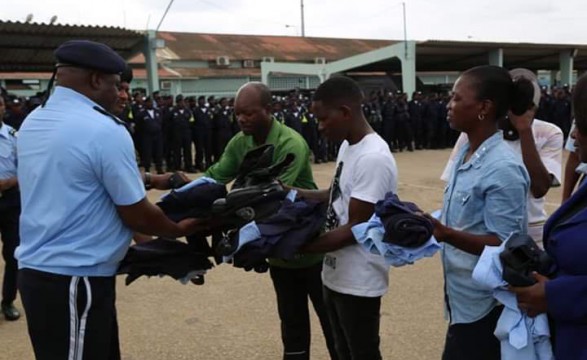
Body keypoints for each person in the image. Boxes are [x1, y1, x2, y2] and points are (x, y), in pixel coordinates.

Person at [15, 40, 207, 360]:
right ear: (95, 80)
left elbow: (83, 186)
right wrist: (178, 231)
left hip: (46, 275)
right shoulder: (103, 129)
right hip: (75, 281)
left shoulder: (35, 121)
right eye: (116, 84)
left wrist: (158, 242)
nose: (120, 93)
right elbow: (136, 214)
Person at [204, 82, 337, 360]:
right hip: (279, 256)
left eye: (249, 113)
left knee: (333, 326)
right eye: (238, 113)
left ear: (270, 109)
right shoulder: (240, 142)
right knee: (292, 325)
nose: (242, 119)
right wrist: (184, 192)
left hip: (312, 252)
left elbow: (270, 200)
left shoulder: (290, 143)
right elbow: (216, 175)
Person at [429, 65, 530, 360]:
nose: (449, 105)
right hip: (461, 299)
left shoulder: (503, 168)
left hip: (486, 307)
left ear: (484, 107)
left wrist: (446, 234)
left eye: (457, 98)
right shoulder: (466, 151)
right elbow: (465, 220)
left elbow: (505, 244)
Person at [295, 76, 398, 360]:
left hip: (359, 279)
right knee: (341, 351)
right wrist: (294, 194)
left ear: (345, 111)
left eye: (323, 118)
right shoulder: (348, 145)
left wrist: (300, 247)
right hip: (335, 272)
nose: (320, 126)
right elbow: (336, 193)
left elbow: (357, 227)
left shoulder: (373, 157)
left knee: (361, 353)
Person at [510, 72, 587, 360]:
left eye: (580, 124)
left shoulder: (547, 132)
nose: (575, 135)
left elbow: (540, 186)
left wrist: (556, 294)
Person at [441, 68, 563, 247]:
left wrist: (524, 130)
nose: (449, 105)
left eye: (457, 98)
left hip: (525, 235)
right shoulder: (470, 138)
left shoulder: (546, 134)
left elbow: (539, 188)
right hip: (472, 237)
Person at [0, 96, 21, 321]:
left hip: (10, 201)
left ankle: (8, 301)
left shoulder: (14, 137)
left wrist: (9, 182)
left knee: (13, 253)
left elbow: (25, 169)